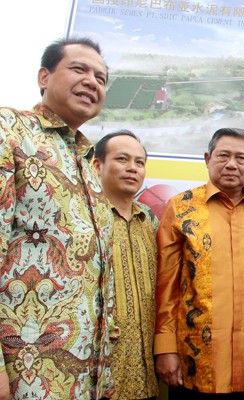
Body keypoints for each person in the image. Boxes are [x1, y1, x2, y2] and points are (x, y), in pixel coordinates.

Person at [0, 37, 115, 399]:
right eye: (79, 69)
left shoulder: (88, 162)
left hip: (85, 376)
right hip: (23, 373)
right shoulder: (10, 130)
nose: (92, 82)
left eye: (101, 78)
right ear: (44, 77)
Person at [154, 127, 244, 399]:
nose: (231, 164)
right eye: (223, 155)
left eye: (240, 158)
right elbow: (166, 286)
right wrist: (165, 348)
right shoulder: (181, 208)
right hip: (194, 365)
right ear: (207, 159)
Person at [93, 130, 159, 399]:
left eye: (139, 162)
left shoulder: (150, 220)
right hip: (98, 376)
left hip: (146, 376)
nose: (132, 168)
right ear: (98, 165)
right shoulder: (84, 217)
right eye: (122, 159)